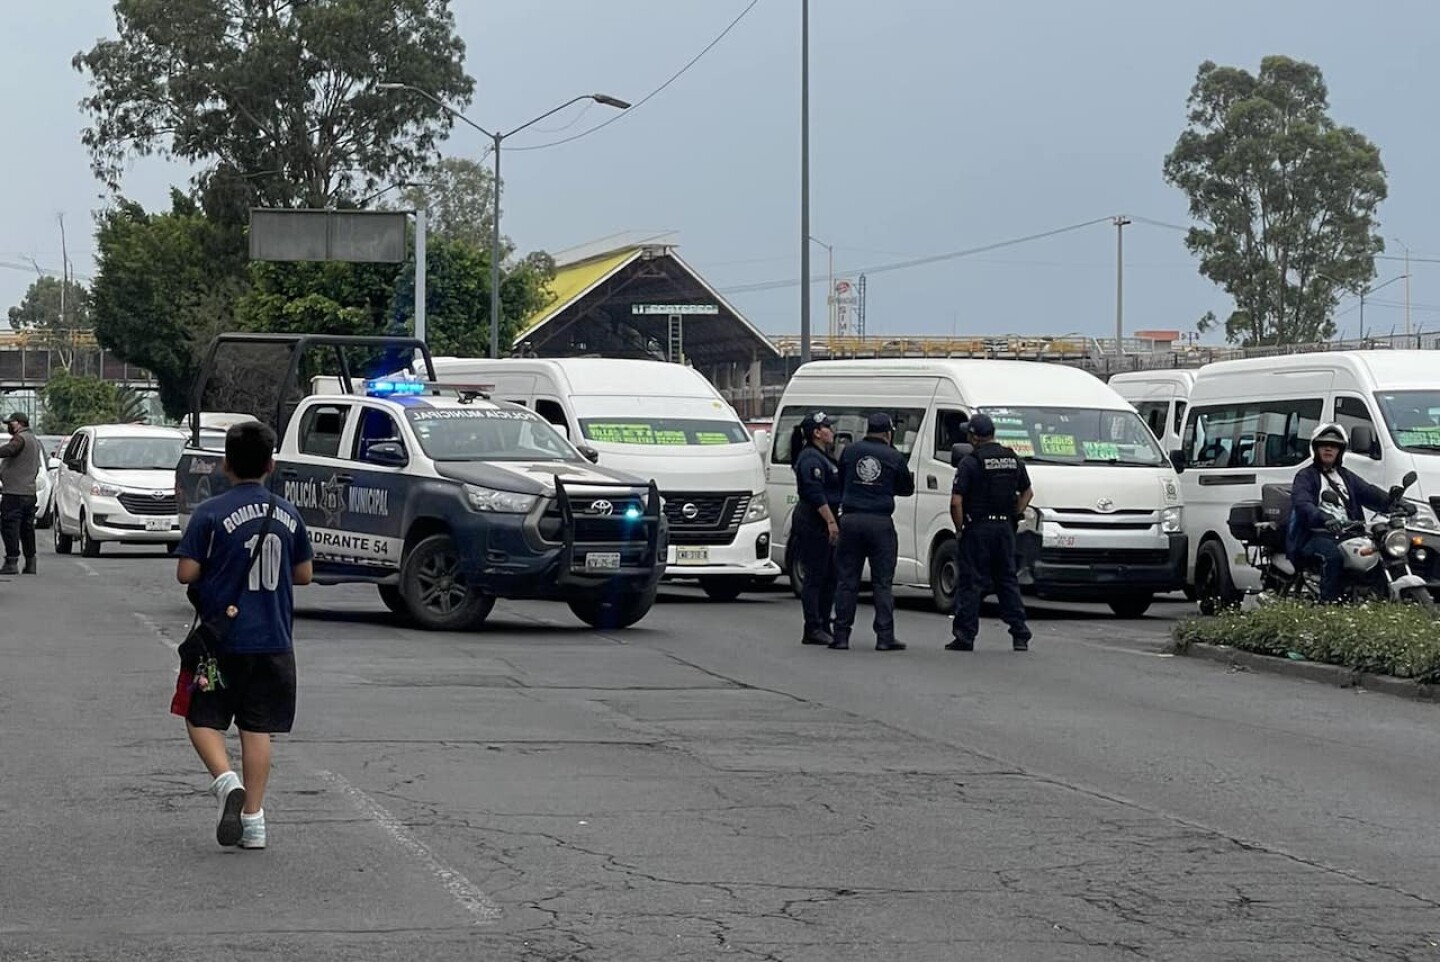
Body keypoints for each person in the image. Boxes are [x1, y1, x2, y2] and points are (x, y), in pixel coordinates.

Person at [175, 421, 314, 849]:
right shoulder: (288, 513)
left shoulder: (211, 513)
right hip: (273, 639)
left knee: (199, 715)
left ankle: (225, 780)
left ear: (225, 464)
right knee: (257, 729)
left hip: (222, 640)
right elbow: (304, 574)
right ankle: (254, 821)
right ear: (271, 464)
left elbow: (186, 573)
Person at [948, 413, 1033, 652]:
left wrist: (959, 529)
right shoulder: (1011, 458)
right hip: (1004, 528)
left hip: (978, 529)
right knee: (1007, 581)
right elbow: (1027, 492)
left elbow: (956, 501)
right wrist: (1015, 514)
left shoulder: (970, 462)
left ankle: (965, 636)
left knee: (971, 582)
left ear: (974, 436)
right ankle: (1020, 634)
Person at [830, 412, 915, 651]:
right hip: (879, 522)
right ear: (889, 433)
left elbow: (841, 480)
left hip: (851, 519)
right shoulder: (894, 456)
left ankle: (841, 635)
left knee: (847, 580)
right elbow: (906, 488)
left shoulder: (850, 452)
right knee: (882, 582)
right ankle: (884, 637)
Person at [1289, 422, 1391, 603]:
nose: (1329, 448)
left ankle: (1376, 600)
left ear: (1340, 450)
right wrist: (1324, 518)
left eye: (1334, 445)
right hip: (1314, 536)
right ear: (1316, 448)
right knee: (1333, 556)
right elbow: (1302, 503)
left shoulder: (1346, 476)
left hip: (1348, 534)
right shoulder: (1305, 476)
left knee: (1378, 552)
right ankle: (1329, 607)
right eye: (1323, 444)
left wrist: (1396, 503)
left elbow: (1369, 492)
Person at [790, 411, 842, 645]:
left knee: (830, 574)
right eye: (827, 427)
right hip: (814, 521)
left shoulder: (825, 456)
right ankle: (812, 626)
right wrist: (830, 521)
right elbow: (815, 493)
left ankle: (823, 621)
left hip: (824, 519)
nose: (831, 431)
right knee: (815, 575)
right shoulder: (810, 458)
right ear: (816, 433)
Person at [0, 411, 42, 576]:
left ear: (19, 423)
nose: (9, 426)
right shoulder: (34, 440)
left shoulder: (20, 438)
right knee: (26, 528)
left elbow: (10, 450)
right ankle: (31, 562)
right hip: (28, 492)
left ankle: (11, 561)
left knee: (9, 526)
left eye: (11, 423)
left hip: (15, 493)